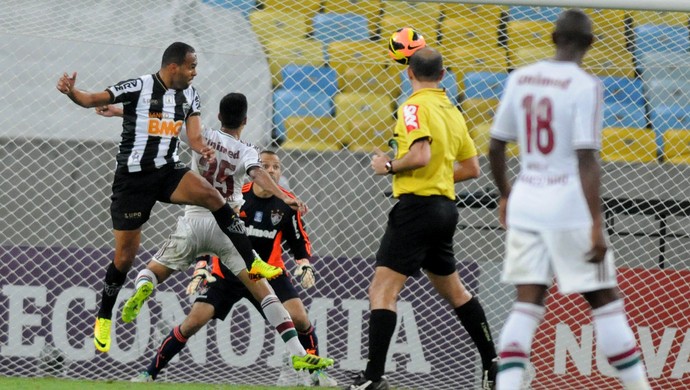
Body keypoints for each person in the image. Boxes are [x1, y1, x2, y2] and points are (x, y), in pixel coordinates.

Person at [56, 42, 293, 353]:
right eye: (191, 66)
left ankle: (253, 261)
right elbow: (90, 99)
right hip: (133, 181)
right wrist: (72, 91)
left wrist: (201, 149)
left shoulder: (190, 95)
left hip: (168, 171)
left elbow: (194, 136)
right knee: (125, 257)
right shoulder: (139, 86)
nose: (195, 72)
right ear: (173, 67)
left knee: (212, 196)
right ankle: (104, 316)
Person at [488, 9, 651, 390]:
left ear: (552, 37)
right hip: (567, 206)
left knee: (526, 303)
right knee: (606, 301)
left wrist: (507, 195)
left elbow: (496, 146)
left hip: (527, 199)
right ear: (591, 43)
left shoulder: (520, 78)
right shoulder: (584, 85)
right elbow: (586, 158)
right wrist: (596, 224)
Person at [348, 47, 498, 390]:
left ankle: (373, 378)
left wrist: (387, 167)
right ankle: (493, 363)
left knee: (382, 291)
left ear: (409, 73)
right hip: (445, 210)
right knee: (456, 293)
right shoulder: (452, 110)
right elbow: (472, 168)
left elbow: (419, 154)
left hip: (417, 208)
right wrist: (439, 177)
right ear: (443, 76)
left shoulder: (413, 107)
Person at [127, 150, 336, 386]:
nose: (271, 171)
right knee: (193, 322)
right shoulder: (238, 198)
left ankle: (316, 374)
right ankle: (149, 374)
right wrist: (203, 265)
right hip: (226, 272)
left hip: (267, 272)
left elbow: (299, 240)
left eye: (276, 167)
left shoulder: (287, 203)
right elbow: (213, 231)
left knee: (299, 317)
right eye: (265, 166)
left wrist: (304, 263)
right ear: (254, 172)